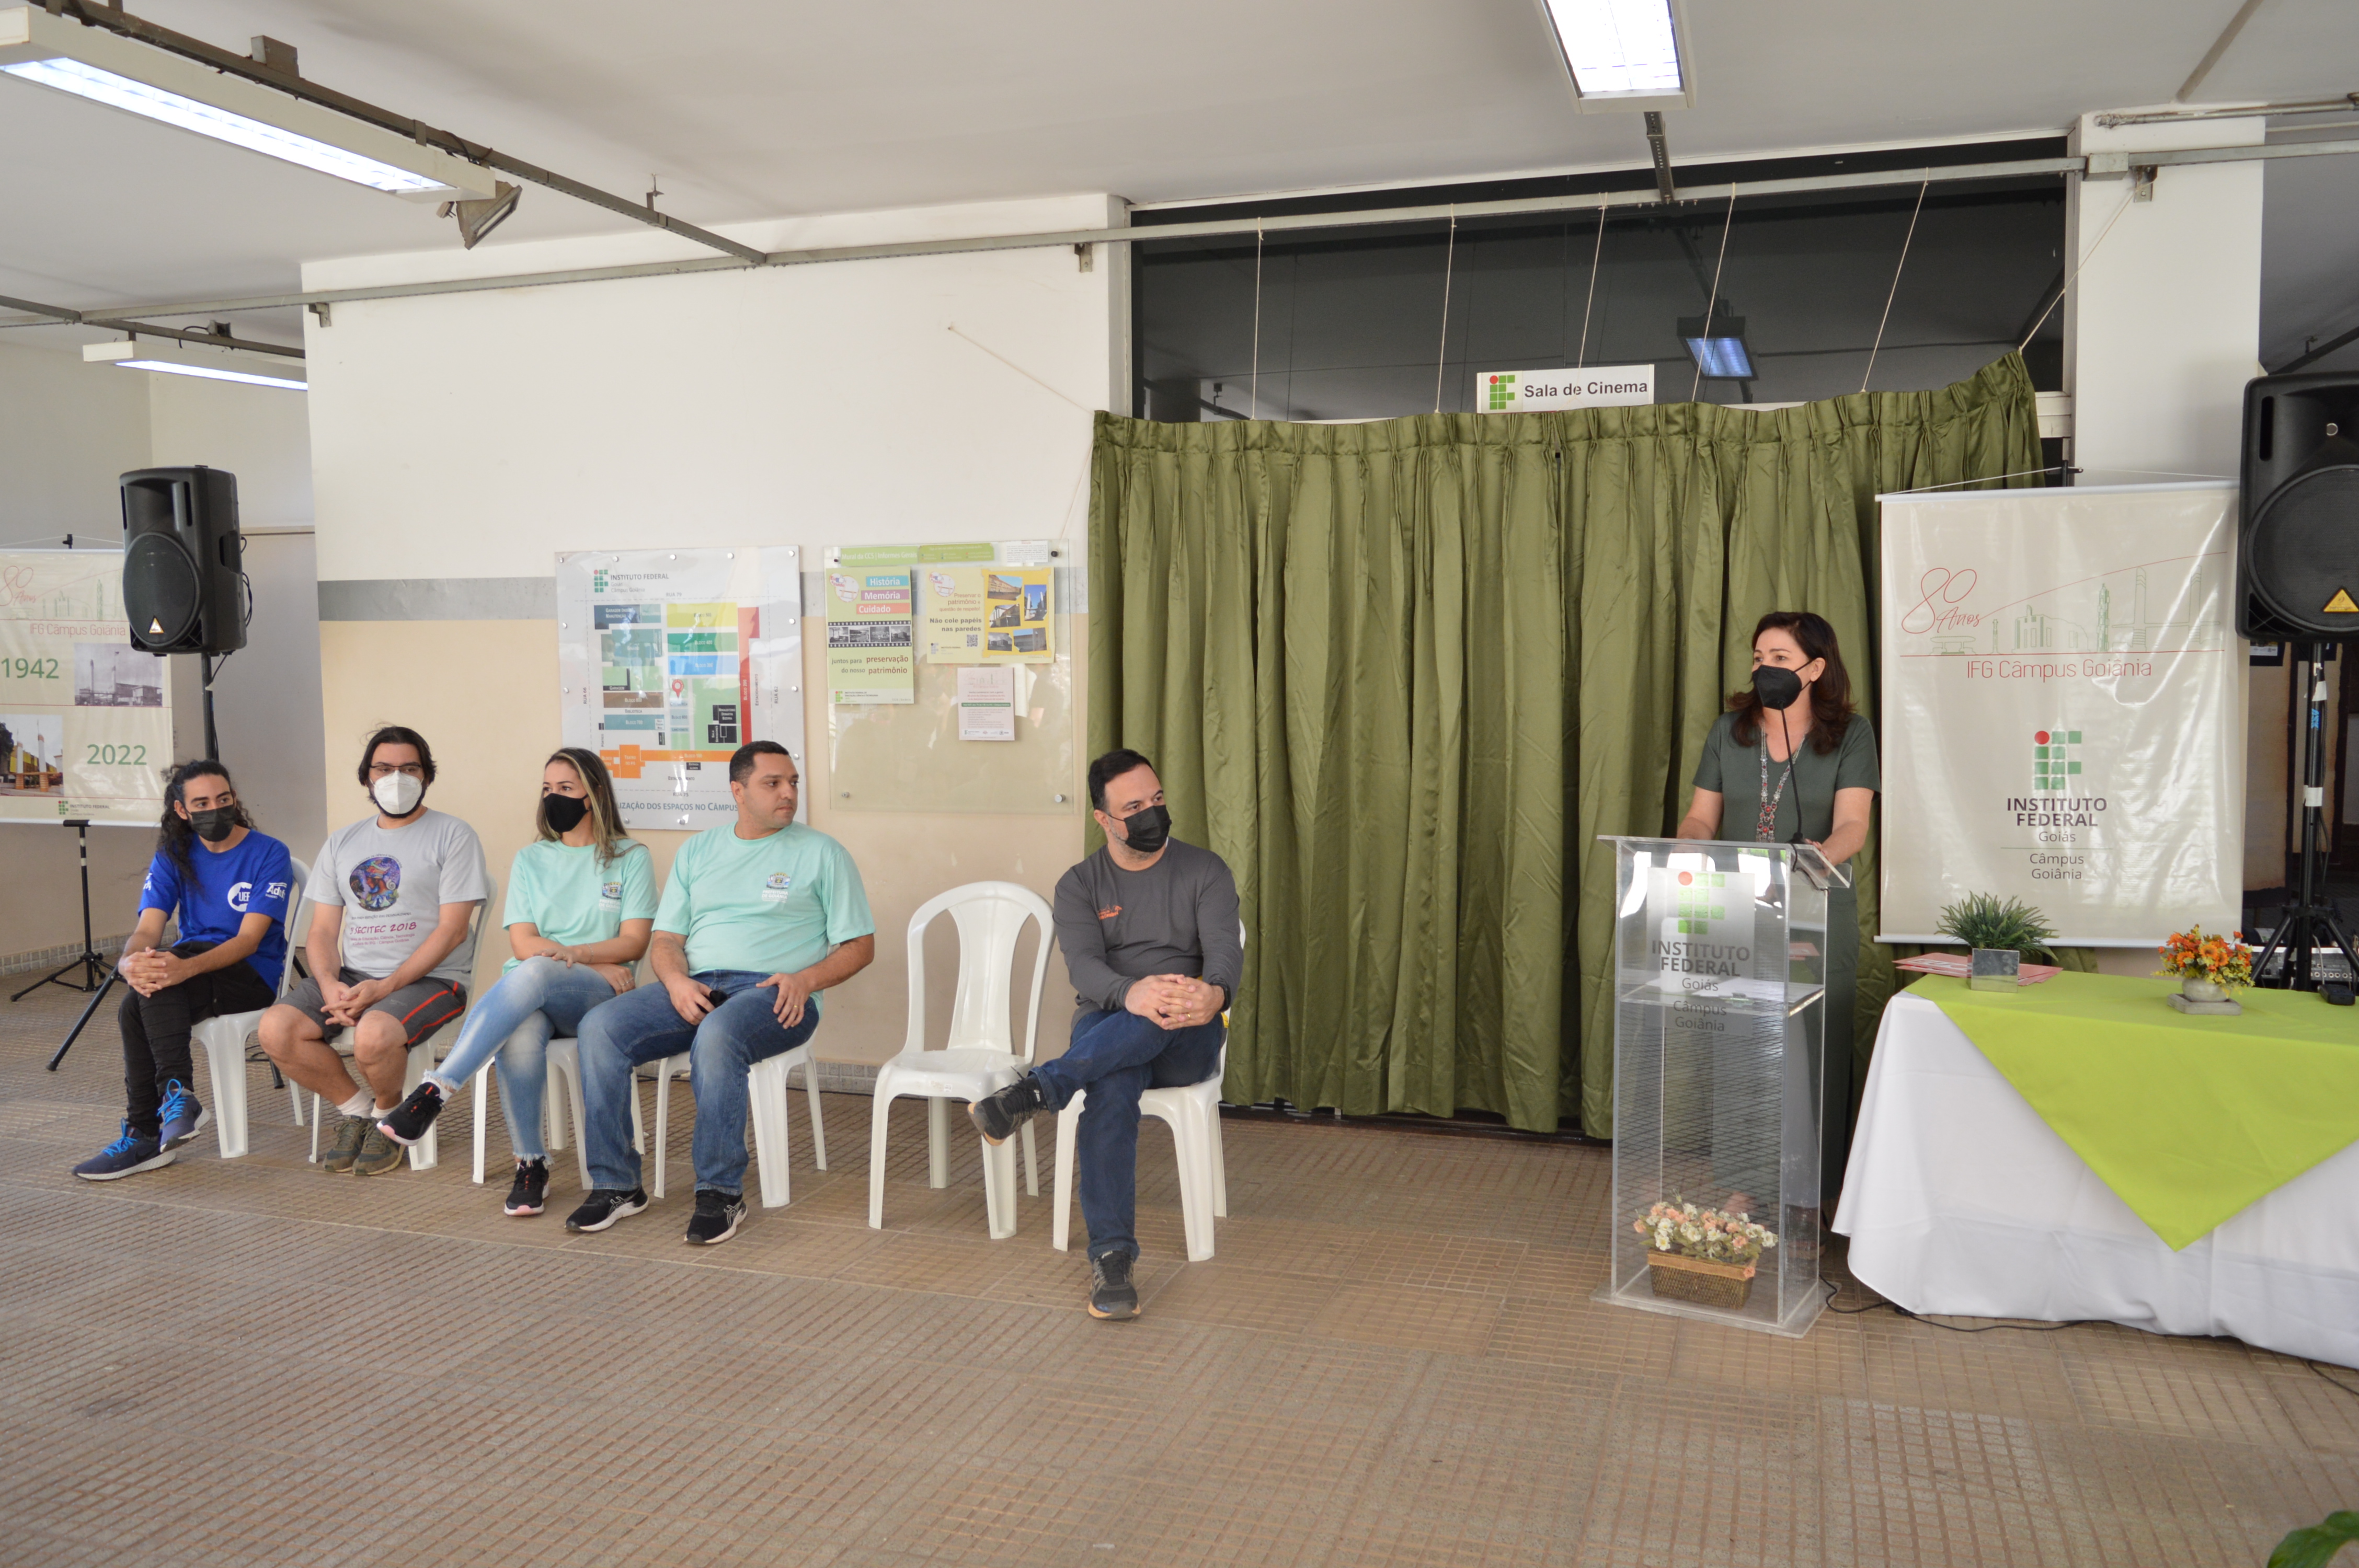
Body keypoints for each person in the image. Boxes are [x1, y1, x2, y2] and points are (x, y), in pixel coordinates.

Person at [566, 741, 875, 1246]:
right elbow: (666, 941)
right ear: (738, 790)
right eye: (772, 783)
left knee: (717, 1034)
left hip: (777, 993)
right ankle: (617, 1184)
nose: (788, 793)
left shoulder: (823, 853)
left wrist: (806, 980)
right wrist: (675, 981)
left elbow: (861, 946)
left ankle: (720, 1191)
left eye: (793, 782)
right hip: (697, 983)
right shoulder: (699, 850)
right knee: (599, 1027)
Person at [969, 748, 1241, 1322]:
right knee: (1114, 1084)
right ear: (1104, 819)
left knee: (1150, 1018)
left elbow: (1223, 954)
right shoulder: (1079, 885)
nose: (1152, 814)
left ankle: (1037, 1091)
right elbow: (1085, 969)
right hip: (1111, 1020)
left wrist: (1212, 995)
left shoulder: (1205, 870)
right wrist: (1132, 993)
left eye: (1158, 800)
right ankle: (1112, 1259)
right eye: (1135, 807)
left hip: (1189, 1032)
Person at [373, 747, 656, 1217]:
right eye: (547, 789)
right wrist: (584, 958)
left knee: (539, 972)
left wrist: (579, 958)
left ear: (595, 795)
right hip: (534, 991)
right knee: (522, 1029)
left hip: (600, 997)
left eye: (565, 789)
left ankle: (437, 1089)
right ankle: (531, 1162)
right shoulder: (531, 859)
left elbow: (634, 942)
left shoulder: (630, 857)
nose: (553, 798)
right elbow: (523, 943)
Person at [1675, 611, 1880, 1209]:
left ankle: (1813, 1195)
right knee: (1744, 1050)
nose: (1767, 668)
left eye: (1782, 659)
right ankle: (1746, 1189)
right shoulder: (1728, 731)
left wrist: (1819, 858)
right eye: (1760, 657)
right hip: (1739, 915)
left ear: (1816, 669)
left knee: (1811, 1052)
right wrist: (1686, 843)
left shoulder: (1852, 735)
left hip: (1816, 912)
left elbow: (1853, 827)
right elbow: (1701, 816)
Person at [258, 727, 490, 1179]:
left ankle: (390, 1117)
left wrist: (384, 987)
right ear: (367, 777)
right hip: (351, 975)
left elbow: (453, 931)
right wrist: (330, 986)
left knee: (373, 1036)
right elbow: (323, 931)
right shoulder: (343, 842)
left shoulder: (453, 835)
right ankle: (358, 1111)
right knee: (275, 1029)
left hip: (434, 979)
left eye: (409, 768)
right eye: (384, 768)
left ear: (427, 776)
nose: (396, 778)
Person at [72, 760, 293, 1180]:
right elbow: (147, 930)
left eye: (224, 799)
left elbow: (248, 942)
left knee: (150, 996)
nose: (216, 810)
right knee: (141, 996)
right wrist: (130, 963)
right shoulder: (175, 853)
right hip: (193, 963)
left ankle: (147, 1129)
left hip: (249, 974)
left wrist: (182, 969)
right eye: (203, 803)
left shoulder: (269, 852)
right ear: (182, 811)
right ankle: (169, 1108)